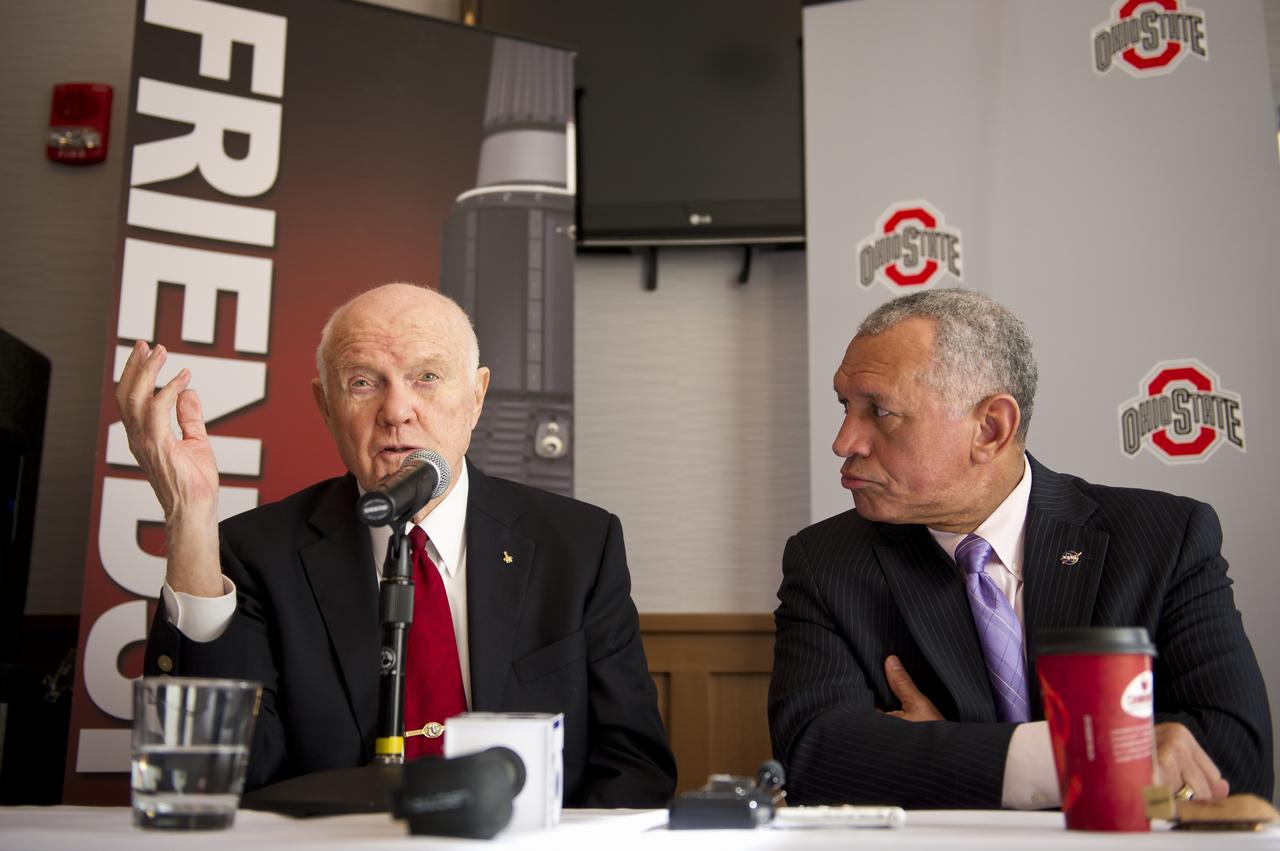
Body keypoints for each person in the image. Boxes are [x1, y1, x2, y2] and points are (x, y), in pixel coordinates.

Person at [118, 282, 676, 806]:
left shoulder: (577, 545)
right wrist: (189, 517)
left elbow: (634, 767)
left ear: (477, 396)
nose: (396, 410)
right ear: (325, 406)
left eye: (427, 377)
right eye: (363, 381)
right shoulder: (252, 553)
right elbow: (217, 775)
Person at [768, 288, 1272, 809]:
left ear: (990, 428)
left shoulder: (1165, 538)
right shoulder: (825, 562)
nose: (845, 440)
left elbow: (1234, 760)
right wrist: (1076, 760)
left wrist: (946, 753)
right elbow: (816, 759)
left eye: (880, 411)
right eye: (846, 406)